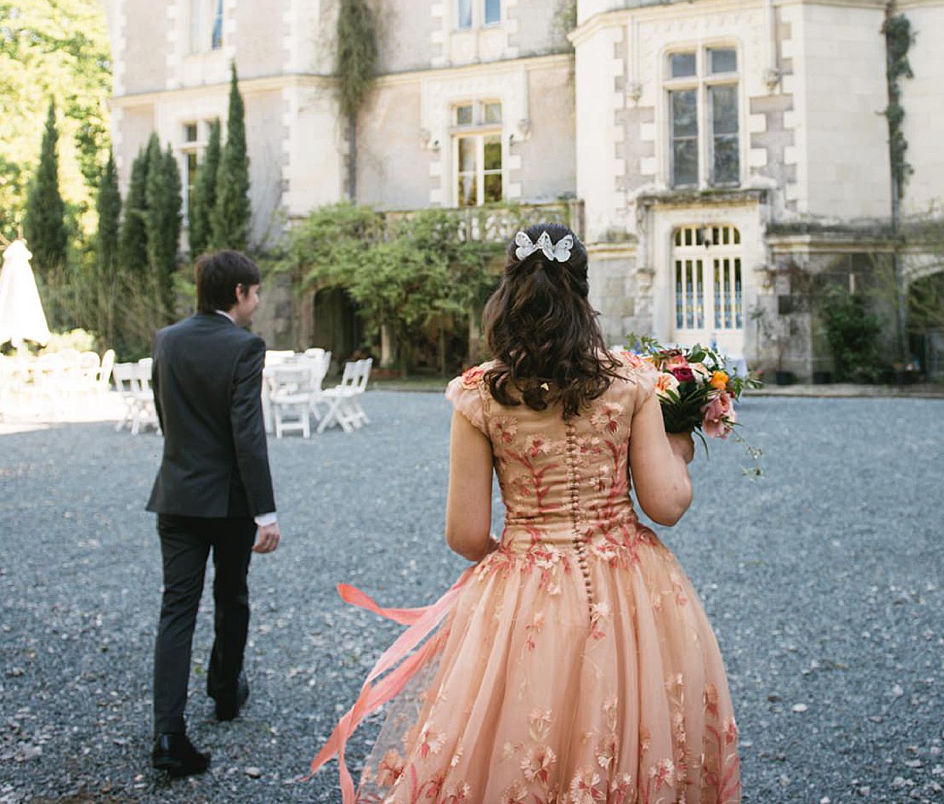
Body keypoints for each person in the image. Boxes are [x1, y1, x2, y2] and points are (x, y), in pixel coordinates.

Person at [313, 223, 740, 803]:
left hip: (525, 581)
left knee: (518, 744)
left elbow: (464, 534)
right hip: (631, 586)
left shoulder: (479, 394)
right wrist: (680, 450)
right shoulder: (632, 382)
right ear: (583, 294)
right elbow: (666, 505)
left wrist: (520, 558)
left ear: (508, 293)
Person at [146, 249, 281, 776]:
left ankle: (167, 733)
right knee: (232, 596)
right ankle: (225, 691)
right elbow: (248, 435)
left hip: (177, 494)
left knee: (176, 610)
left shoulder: (166, 341)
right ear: (239, 294)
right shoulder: (245, 348)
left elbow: (165, 416)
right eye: (256, 292)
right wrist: (265, 511)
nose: (257, 301)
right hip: (227, 501)